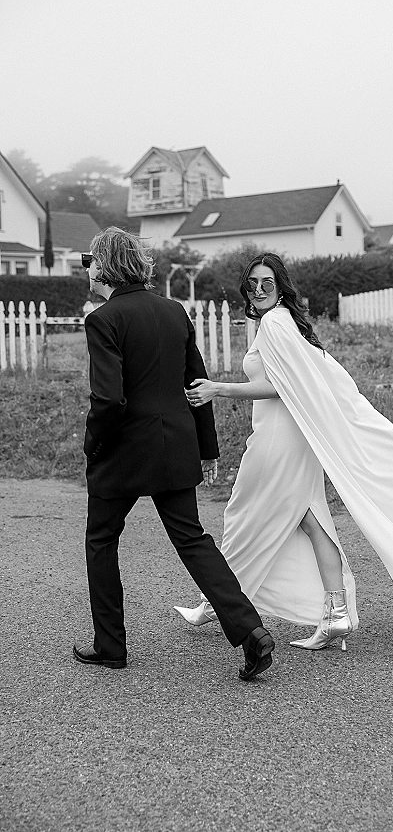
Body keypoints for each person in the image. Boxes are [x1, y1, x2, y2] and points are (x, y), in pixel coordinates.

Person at [174, 252, 393, 649]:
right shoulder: (279, 323)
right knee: (308, 519)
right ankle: (333, 615)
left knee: (246, 514)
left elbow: (285, 387)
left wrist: (219, 388)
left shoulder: (276, 325)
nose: (259, 290)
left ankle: (216, 602)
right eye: (252, 284)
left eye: (268, 283)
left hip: (278, 441)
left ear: (281, 288)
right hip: (289, 436)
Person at [73, 228, 274, 680]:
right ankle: (250, 631)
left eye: (90, 259)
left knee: (101, 541)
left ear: (104, 265)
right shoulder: (173, 311)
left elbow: (108, 400)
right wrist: (206, 447)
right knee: (192, 538)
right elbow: (195, 383)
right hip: (174, 444)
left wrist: (93, 444)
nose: (86, 267)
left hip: (123, 450)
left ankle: (111, 646)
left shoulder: (103, 319)